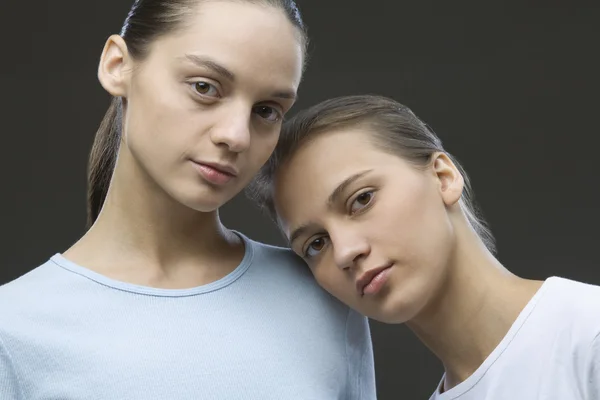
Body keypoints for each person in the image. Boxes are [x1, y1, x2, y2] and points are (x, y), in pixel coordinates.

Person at [0, 3, 376, 399]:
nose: (236, 136)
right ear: (117, 65)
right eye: (204, 87)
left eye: (266, 111)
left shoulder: (323, 296)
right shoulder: (15, 328)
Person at [249, 94, 600, 399]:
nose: (344, 252)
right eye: (315, 244)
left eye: (361, 199)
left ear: (443, 178)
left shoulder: (587, 336)